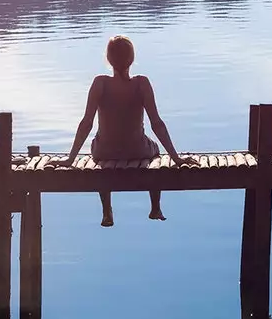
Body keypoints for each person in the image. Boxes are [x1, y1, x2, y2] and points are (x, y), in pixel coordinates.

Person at [58, 34, 195, 225]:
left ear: (108, 59)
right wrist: (176, 158)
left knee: (100, 157)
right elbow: (157, 124)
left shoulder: (100, 83)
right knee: (156, 151)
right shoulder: (142, 83)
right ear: (132, 59)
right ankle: (155, 207)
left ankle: (107, 211)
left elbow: (86, 124)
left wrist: (70, 159)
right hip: (137, 149)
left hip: (104, 151)